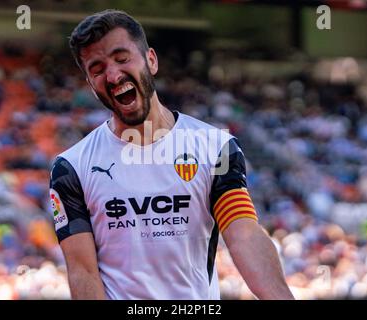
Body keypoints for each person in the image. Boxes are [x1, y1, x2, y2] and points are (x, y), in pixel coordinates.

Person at [49, 9, 294, 300]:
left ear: (151, 60)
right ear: (90, 84)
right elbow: (82, 272)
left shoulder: (215, 148)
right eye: (97, 69)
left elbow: (243, 234)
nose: (113, 75)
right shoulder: (72, 167)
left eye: (122, 58)